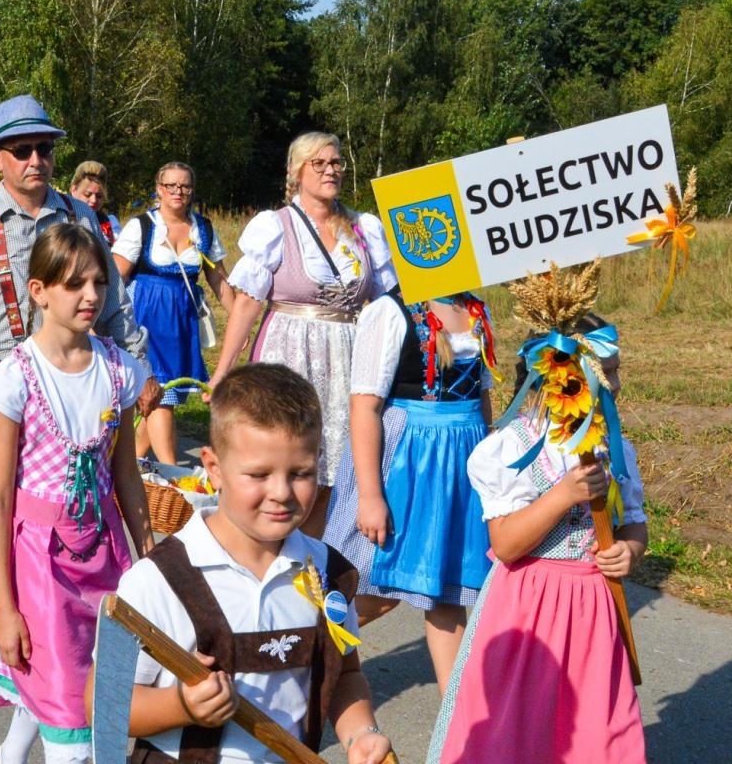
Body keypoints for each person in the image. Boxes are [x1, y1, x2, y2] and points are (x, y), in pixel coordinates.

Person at [103, 363, 395, 764]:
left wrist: (361, 733)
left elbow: (343, 674)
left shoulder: (330, 573)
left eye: (301, 473)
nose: (281, 492)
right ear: (214, 468)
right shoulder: (157, 580)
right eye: (258, 474)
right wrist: (181, 707)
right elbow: (102, 704)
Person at [428, 317, 649, 764]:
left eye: (617, 370)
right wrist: (563, 494)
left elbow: (635, 525)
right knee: (520, 727)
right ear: (568, 381)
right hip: (529, 609)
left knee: (595, 730)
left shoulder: (614, 448)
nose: (618, 384)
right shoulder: (513, 447)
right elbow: (507, 545)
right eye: (608, 372)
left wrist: (629, 549)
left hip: (592, 608)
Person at [0, 222, 152, 764]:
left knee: (99, 673)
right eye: (75, 284)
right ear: (39, 291)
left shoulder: (119, 369)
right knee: (65, 698)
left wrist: (150, 559)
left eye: (99, 283)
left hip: (105, 552)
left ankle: (10, 754)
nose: (91, 296)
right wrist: (6, 610)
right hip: (39, 562)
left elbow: (125, 474)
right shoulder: (14, 379)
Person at [0, 95, 149, 467]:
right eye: (22, 150)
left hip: (72, 371)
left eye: (45, 148)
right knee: (4, 494)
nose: (36, 160)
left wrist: (139, 367)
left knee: (73, 485)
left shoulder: (80, 216)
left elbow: (114, 304)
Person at [210, 132, 397, 531]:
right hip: (290, 351)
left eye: (336, 163)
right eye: (320, 163)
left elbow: (388, 300)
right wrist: (224, 369)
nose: (331, 170)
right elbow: (247, 303)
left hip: (349, 350)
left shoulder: (364, 228)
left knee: (335, 462)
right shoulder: (275, 226)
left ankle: (316, 553)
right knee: (284, 453)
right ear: (296, 172)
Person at [324, 290, 496, 693]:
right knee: (377, 590)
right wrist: (370, 497)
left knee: (447, 593)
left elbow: (482, 398)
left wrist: (488, 465)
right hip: (410, 463)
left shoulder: (475, 308)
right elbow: (364, 407)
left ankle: (459, 726)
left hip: (460, 468)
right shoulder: (392, 311)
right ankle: (293, 648)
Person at [114, 161, 233, 464]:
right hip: (146, 318)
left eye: (185, 186)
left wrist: (237, 321)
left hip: (181, 321)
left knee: (157, 400)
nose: (178, 191)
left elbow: (218, 278)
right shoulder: (141, 227)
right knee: (160, 395)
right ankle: (173, 474)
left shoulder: (202, 228)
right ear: (159, 189)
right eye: (171, 185)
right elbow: (115, 279)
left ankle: (123, 469)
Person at [68, 160, 122, 246]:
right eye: (87, 194)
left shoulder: (110, 223)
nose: (94, 200)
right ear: (73, 190)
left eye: (99, 196)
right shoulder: (62, 220)